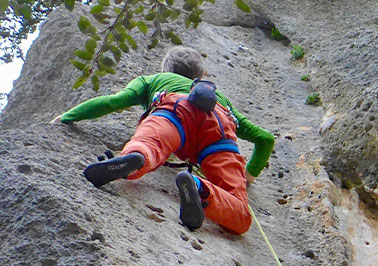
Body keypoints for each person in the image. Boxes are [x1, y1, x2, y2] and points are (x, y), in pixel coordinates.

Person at [55, 46, 275, 234]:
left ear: (165, 70)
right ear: (200, 75)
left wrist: (66, 117)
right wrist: (248, 175)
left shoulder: (153, 80)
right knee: (240, 215)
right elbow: (265, 138)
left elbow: (113, 102)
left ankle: (136, 157)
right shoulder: (220, 98)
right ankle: (200, 187)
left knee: (150, 144)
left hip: (173, 112)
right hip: (218, 128)